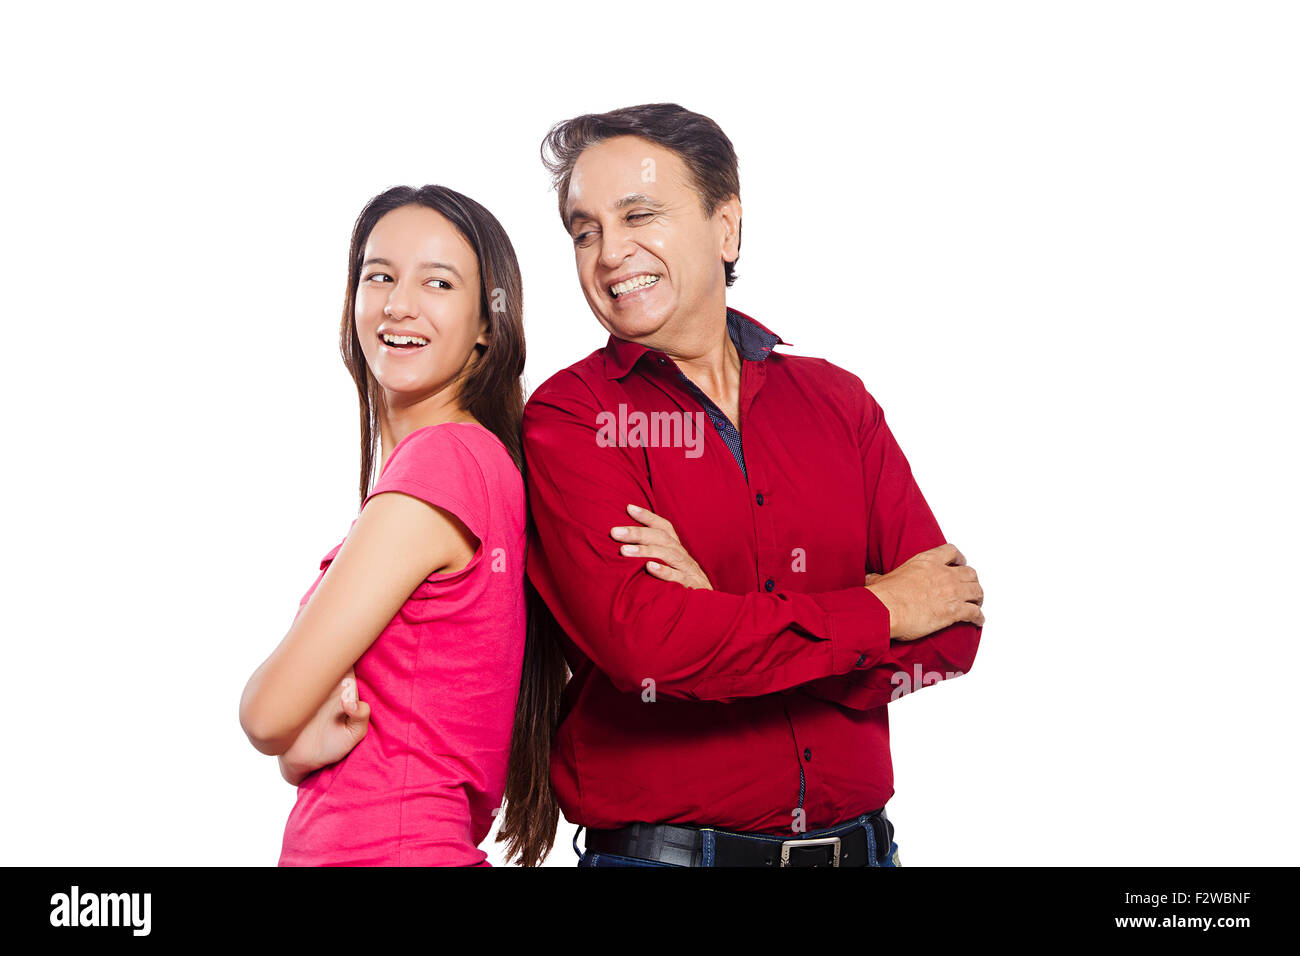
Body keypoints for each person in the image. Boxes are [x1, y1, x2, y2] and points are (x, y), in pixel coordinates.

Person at [522, 104, 985, 867]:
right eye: (584, 230)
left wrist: (724, 623)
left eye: (639, 214)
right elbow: (650, 653)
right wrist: (877, 612)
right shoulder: (575, 418)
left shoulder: (837, 402)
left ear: (726, 227)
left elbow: (952, 625)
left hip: (864, 852)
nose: (608, 254)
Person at [239, 185, 566, 867]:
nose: (398, 303)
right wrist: (300, 746)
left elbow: (264, 714)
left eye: (437, 282)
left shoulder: (443, 466)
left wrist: (288, 733)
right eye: (378, 275)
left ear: (487, 325)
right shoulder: (482, 465)